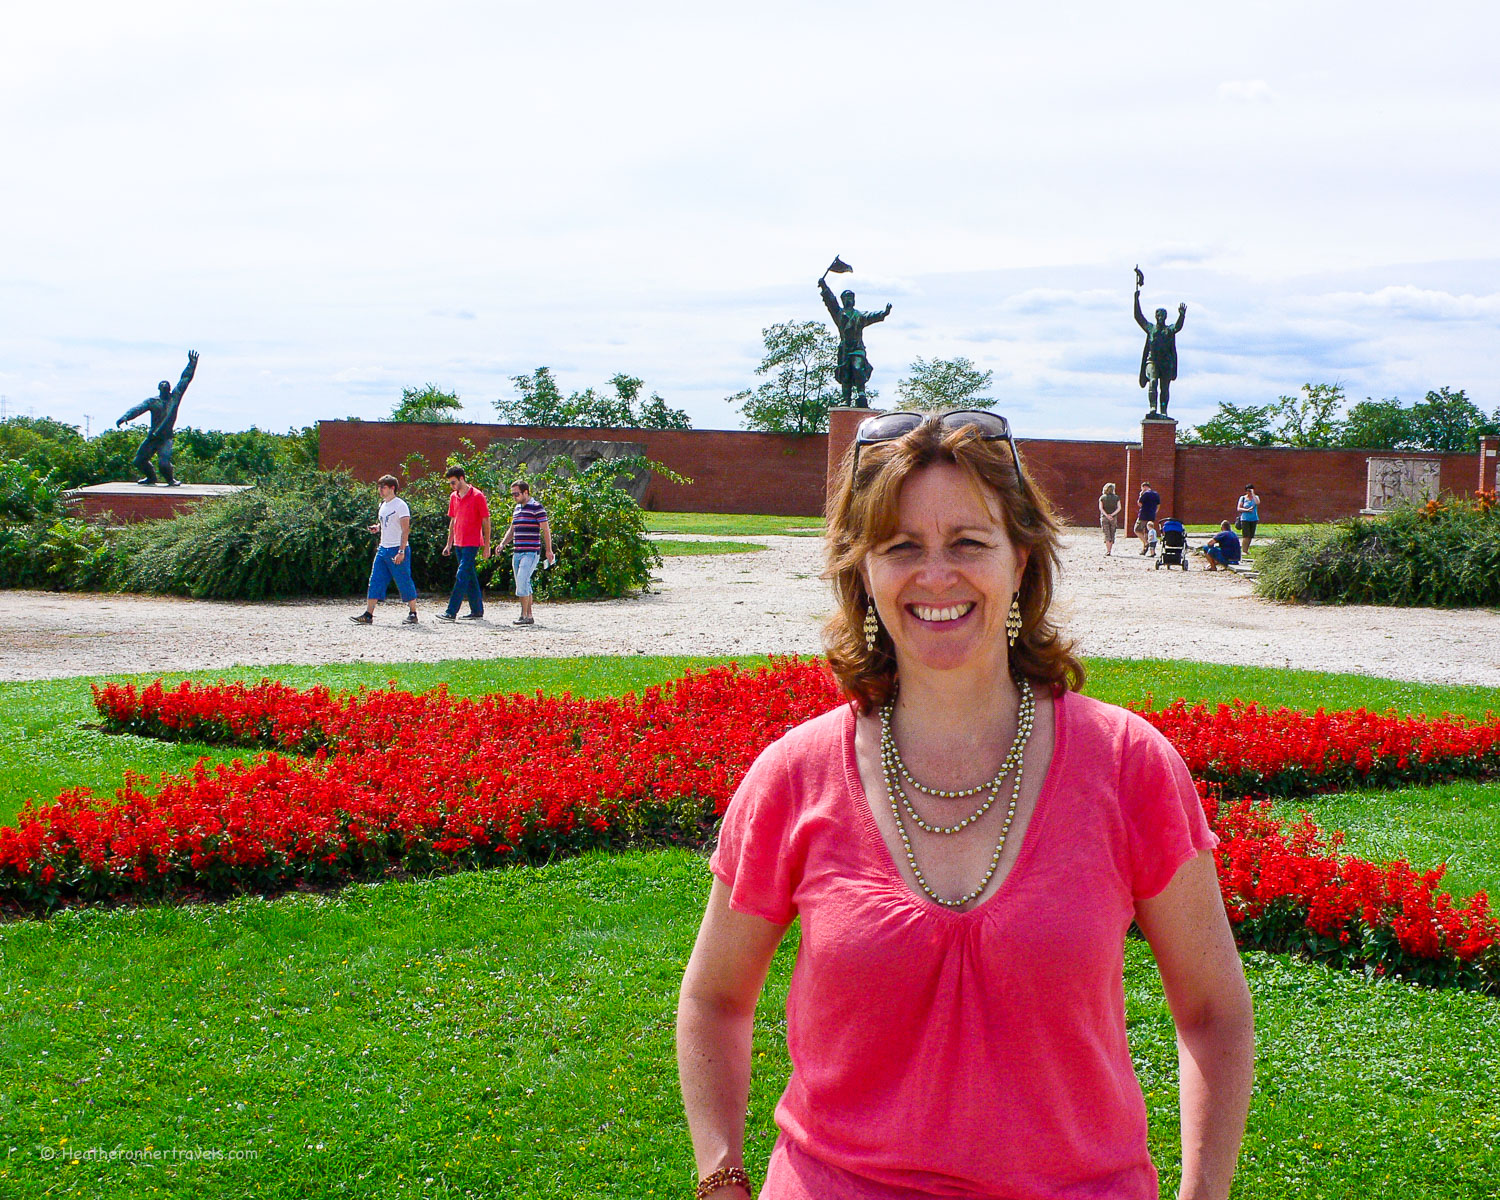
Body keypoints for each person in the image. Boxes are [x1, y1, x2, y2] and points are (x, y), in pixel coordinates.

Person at [678, 411, 1254, 1200]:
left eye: (969, 543)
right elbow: (715, 997)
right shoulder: (792, 776)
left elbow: (1215, 1012)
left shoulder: (1128, 767)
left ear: (1021, 558)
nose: (936, 575)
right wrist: (722, 1178)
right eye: (901, 546)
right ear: (863, 570)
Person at [115, 350, 198, 486]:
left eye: (167, 387)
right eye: (163, 387)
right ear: (159, 389)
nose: (166, 389)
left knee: (164, 464)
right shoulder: (152, 402)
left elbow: (185, 379)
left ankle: (171, 480)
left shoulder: (174, 398)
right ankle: (151, 478)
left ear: (170, 389)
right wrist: (125, 417)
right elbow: (138, 408)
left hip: (165, 438)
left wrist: (192, 364)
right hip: (153, 437)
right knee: (139, 461)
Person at [351, 474, 419, 625]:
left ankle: (413, 613)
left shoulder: (400, 505)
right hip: (383, 549)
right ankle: (368, 614)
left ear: (392, 488)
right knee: (375, 580)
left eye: (383, 487)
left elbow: (405, 529)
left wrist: (401, 551)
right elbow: (386, 523)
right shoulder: (383, 505)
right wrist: (378, 528)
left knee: (403, 580)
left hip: (397, 549)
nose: (380, 490)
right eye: (379, 487)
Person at [819, 273, 892, 408]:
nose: (849, 300)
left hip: (857, 349)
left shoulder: (859, 315)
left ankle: (861, 394)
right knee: (846, 373)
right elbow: (830, 301)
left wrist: (884, 313)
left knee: (857, 367)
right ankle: (846, 399)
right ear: (843, 300)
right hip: (845, 350)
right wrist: (824, 287)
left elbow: (872, 316)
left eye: (851, 297)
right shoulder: (839, 314)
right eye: (846, 297)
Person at [495, 478, 556, 626]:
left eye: (516, 494)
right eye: (512, 494)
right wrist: (503, 543)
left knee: (522, 580)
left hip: (531, 551)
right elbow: (512, 529)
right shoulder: (517, 509)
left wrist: (549, 550)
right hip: (517, 551)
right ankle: (528, 615)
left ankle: (524, 614)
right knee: (523, 582)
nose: (514, 497)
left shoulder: (537, 507)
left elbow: (546, 530)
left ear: (525, 492)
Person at [436, 465, 490, 622]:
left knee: (461, 575)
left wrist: (487, 546)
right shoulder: (454, 497)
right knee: (469, 576)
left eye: (453, 482)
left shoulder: (478, 496)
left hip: (472, 542)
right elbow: (453, 520)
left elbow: (486, 520)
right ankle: (477, 610)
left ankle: (451, 611)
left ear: (461, 479)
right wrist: (449, 543)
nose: (452, 486)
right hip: (458, 542)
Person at [1133, 282, 1186, 417]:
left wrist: (1181, 315)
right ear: (1156, 316)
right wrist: (1136, 300)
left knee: (1165, 388)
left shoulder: (1168, 330)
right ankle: (1152, 407)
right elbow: (1138, 317)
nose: (1160, 317)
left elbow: (1178, 327)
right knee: (1153, 381)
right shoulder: (1151, 329)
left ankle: (1163, 410)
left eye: (1163, 315)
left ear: (1165, 317)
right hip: (1152, 361)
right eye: (1158, 315)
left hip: (1166, 363)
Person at [1135, 480, 1161, 554]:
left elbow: (1139, 504)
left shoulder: (1145, 494)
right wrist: (1155, 512)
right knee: (1147, 531)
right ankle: (1144, 549)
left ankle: (1146, 543)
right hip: (1152, 515)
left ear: (1144, 487)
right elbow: (1158, 505)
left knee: (1137, 529)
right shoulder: (1156, 494)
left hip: (1143, 515)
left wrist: (1140, 495)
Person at [1098, 482, 1121, 555]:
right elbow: (1119, 508)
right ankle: (1110, 549)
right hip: (1113, 517)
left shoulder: (1102, 497)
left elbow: (1101, 508)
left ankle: (1108, 551)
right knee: (1112, 533)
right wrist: (1112, 514)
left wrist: (1107, 515)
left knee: (1106, 533)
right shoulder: (1116, 497)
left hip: (1104, 517)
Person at [1236, 486, 1260, 554]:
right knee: (1246, 535)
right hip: (1245, 519)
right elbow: (1239, 508)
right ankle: (1243, 550)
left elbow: (1257, 503)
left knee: (1250, 536)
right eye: (1248, 491)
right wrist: (1247, 510)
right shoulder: (1243, 498)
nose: (1249, 492)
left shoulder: (1256, 497)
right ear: (1246, 491)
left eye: (1251, 490)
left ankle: (1246, 550)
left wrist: (1253, 494)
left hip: (1254, 519)